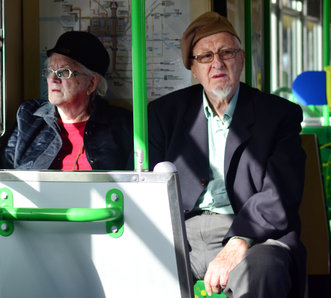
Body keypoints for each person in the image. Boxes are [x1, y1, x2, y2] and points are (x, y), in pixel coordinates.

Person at [148, 12, 306, 298]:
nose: (217, 63)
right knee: (144, 264)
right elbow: (149, 187)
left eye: (226, 52)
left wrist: (239, 240)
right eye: (205, 56)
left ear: (242, 59)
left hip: (255, 231)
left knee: (263, 269)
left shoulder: (279, 115)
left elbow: (281, 191)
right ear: (193, 69)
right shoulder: (164, 115)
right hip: (183, 231)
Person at [1, 31, 133, 170]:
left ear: (91, 83)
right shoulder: (29, 115)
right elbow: (6, 174)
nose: (53, 79)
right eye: (50, 70)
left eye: (64, 72)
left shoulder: (122, 124)